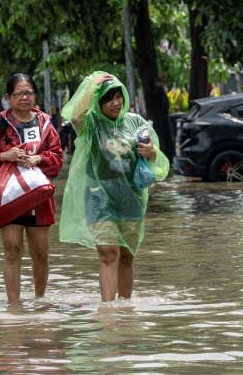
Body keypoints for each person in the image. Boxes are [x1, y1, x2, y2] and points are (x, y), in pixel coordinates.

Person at [59, 72, 169, 302]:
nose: (115, 102)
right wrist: (91, 85)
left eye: (119, 96)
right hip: (99, 199)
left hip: (131, 199)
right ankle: (108, 312)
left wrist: (152, 153)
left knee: (127, 256)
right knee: (109, 254)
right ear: (99, 102)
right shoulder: (91, 124)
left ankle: (125, 308)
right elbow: (75, 115)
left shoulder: (136, 122)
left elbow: (156, 159)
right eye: (109, 98)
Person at [0, 73, 63, 303]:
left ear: (34, 95)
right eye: (19, 93)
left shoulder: (45, 123)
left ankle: (40, 301)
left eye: (29, 93)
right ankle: (14, 306)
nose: (24, 97)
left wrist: (39, 159)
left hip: (39, 197)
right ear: (9, 97)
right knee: (12, 250)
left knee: (41, 254)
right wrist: (4, 155)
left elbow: (57, 158)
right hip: (9, 197)